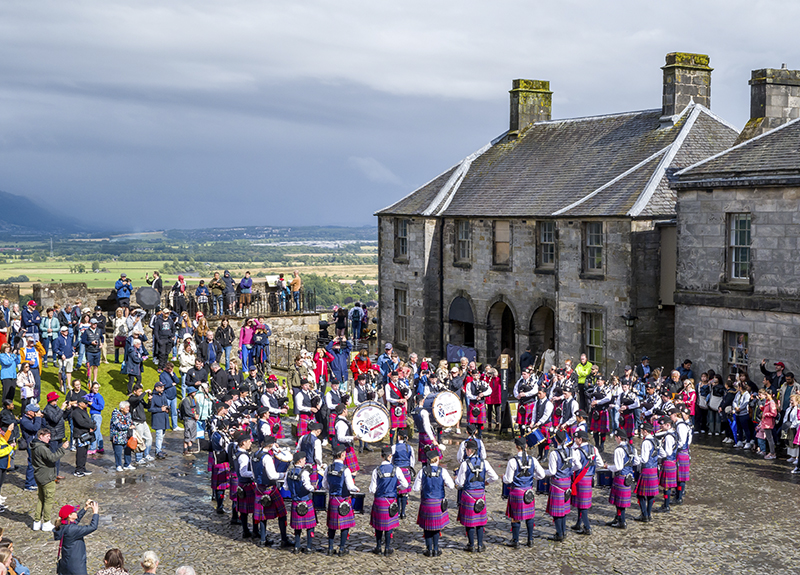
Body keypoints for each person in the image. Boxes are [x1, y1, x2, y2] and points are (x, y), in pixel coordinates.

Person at [455, 438, 498, 552]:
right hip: (480, 494)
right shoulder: (485, 462)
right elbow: (495, 477)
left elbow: (460, 482)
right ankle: (480, 544)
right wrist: (486, 482)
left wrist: (455, 481)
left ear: (470, 450)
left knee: (470, 522)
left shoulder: (464, 464)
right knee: (480, 521)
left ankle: (471, 545)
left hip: (469, 494)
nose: (465, 451)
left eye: (466, 450)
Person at [503, 436, 546, 547]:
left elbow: (508, 480)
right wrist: (533, 477)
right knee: (530, 516)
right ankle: (530, 540)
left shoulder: (512, 461)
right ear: (526, 446)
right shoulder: (533, 460)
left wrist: (503, 478)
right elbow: (542, 475)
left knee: (515, 517)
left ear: (517, 447)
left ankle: (516, 541)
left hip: (517, 492)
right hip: (528, 492)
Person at [413, 448, 454, 556]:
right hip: (438, 502)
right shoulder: (443, 471)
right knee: (436, 528)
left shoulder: (422, 471)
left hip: (426, 502)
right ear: (437, 460)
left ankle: (429, 550)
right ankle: (436, 549)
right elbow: (452, 485)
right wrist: (443, 484)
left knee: (427, 527)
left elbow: (416, 488)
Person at [369, 445, 409, 556]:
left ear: (382, 456)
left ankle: (378, 547)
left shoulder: (376, 470)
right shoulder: (397, 469)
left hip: (379, 501)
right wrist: (397, 488)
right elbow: (405, 484)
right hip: (391, 502)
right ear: (390, 456)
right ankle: (387, 548)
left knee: (378, 526)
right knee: (388, 526)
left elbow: (372, 489)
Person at [322, 445, 359, 556]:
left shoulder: (328, 468)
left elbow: (324, 485)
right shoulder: (345, 469)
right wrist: (356, 489)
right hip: (343, 500)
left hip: (333, 499)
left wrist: (332, 490)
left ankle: (330, 548)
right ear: (342, 455)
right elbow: (350, 486)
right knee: (345, 526)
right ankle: (342, 549)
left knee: (332, 525)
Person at [31, 427, 69, 531]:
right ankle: (46, 522)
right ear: (41, 436)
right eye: (47, 436)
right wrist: (63, 448)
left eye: (50, 436)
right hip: (46, 477)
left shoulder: (35, 445)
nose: (49, 438)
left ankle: (37, 522)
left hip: (39, 475)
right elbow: (52, 458)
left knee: (41, 499)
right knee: (48, 500)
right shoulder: (42, 448)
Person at [544, 430, 577, 541]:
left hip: (557, 484)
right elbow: (578, 465)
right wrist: (569, 471)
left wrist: (543, 472)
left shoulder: (554, 453)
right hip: (567, 482)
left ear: (556, 440)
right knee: (563, 510)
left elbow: (552, 472)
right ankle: (563, 532)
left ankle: (559, 534)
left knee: (557, 512)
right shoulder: (572, 451)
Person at [570, 430, 603, 534]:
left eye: (576, 439)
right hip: (589, 479)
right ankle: (578, 524)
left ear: (580, 439)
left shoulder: (577, 451)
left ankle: (587, 527)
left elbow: (574, 467)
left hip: (580, 479)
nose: (575, 440)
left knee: (582, 505)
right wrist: (592, 468)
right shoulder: (594, 449)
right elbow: (600, 463)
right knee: (582, 503)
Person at [54, 500, 99, 575]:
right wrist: (95, 513)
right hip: (76, 566)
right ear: (69, 515)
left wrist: (85, 508)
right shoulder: (72, 530)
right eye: (74, 511)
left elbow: (76, 521)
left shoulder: (63, 526)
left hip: (66, 563)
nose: (76, 512)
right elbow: (93, 527)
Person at [286, 451, 317, 553]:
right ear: (300, 460)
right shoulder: (304, 473)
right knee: (310, 526)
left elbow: (285, 487)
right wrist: (314, 487)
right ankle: (308, 547)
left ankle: (297, 546)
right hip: (305, 501)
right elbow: (308, 487)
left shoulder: (289, 472)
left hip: (295, 502)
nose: (305, 461)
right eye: (304, 459)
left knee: (297, 527)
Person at [390, 428, 415, 519]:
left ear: (398, 437)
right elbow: (412, 461)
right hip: (406, 471)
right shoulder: (410, 448)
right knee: (404, 493)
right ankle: (403, 513)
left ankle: (397, 511)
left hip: (396, 470)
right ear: (406, 438)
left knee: (397, 491)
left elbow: (391, 460)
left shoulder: (394, 447)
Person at [43, 392, 67, 481]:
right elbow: (55, 419)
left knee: (58, 455)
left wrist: (66, 410)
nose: (57, 400)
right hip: (53, 436)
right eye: (55, 399)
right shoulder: (48, 409)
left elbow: (62, 416)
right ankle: (51, 475)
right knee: (53, 456)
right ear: (51, 400)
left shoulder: (55, 407)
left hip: (59, 435)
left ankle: (56, 473)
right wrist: (62, 409)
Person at [656, 416, 678, 512]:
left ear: (668, 425)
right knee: (667, 486)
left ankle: (666, 505)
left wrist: (659, 447)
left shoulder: (669, 437)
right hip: (672, 462)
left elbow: (667, 453)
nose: (661, 427)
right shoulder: (673, 433)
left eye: (662, 425)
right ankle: (666, 504)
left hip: (668, 462)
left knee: (666, 486)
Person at [128, 386, 153, 464]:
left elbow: (147, 407)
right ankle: (138, 458)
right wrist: (145, 392)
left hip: (143, 422)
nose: (141, 393)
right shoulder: (132, 399)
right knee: (139, 441)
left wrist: (150, 400)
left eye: (141, 391)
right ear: (134, 391)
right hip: (137, 422)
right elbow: (138, 399)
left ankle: (146, 454)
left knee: (149, 438)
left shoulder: (140, 398)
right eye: (139, 391)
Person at [110, 401, 135, 472]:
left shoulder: (128, 414)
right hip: (117, 436)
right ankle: (118, 465)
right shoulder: (115, 414)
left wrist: (131, 426)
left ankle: (127, 464)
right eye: (127, 407)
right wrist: (128, 427)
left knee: (128, 450)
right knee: (118, 452)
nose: (128, 409)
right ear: (121, 408)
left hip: (127, 436)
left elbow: (131, 422)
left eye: (129, 407)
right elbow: (118, 425)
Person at [149, 381, 169, 459]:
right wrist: (160, 409)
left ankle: (159, 449)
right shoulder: (153, 396)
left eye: (163, 387)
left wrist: (167, 409)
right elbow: (150, 409)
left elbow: (166, 404)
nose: (162, 389)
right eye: (161, 387)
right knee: (159, 435)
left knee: (163, 434)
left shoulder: (163, 395)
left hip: (164, 417)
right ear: (156, 388)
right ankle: (158, 451)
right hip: (157, 418)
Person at [159, 362, 181, 431]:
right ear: (166, 368)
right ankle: (164, 426)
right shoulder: (162, 375)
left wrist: (173, 375)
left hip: (173, 396)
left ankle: (175, 426)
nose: (172, 370)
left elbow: (177, 381)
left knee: (174, 412)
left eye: (172, 369)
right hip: (167, 396)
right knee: (165, 412)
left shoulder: (172, 373)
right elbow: (164, 385)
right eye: (170, 369)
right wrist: (171, 384)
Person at [86, 382, 105, 454]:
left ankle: (93, 448)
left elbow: (101, 407)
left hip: (97, 415)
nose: (96, 389)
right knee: (98, 432)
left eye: (97, 388)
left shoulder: (99, 396)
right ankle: (100, 447)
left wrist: (92, 404)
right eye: (95, 388)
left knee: (95, 432)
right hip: (93, 415)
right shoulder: (92, 395)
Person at [180, 387, 199, 455]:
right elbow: (187, 411)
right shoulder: (186, 400)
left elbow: (197, 407)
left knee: (193, 434)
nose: (195, 393)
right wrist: (194, 415)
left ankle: (190, 448)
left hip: (193, 419)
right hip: (188, 419)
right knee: (187, 435)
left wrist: (198, 414)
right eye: (194, 392)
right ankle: (185, 450)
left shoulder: (194, 399)